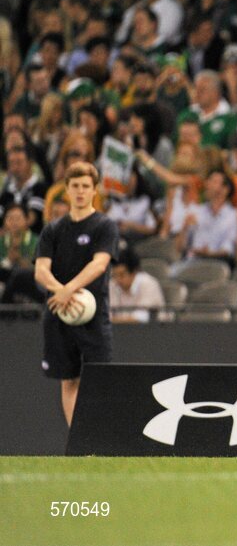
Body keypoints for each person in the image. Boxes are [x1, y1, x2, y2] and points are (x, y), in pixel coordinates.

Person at [34, 162, 119, 426]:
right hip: (60, 313)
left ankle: (96, 432)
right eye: (75, 186)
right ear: (67, 190)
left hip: (92, 314)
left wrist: (68, 289)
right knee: (67, 378)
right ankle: (76, 437)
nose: (80, 191)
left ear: (94, 190)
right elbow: (40, 270)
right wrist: (60, 292)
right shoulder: (53, 230)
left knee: (98, 376)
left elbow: (99, 264)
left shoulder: (104, 226)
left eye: (85, 186)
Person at [109, 247, 165, 323]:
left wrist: (112, 321)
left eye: (122, 275)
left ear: (134, 272)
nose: (118, 280)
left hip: (152, 331)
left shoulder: (149, 284)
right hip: (119, 332)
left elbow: (141, 318)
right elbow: (107, 315)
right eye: (115, 275)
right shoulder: (112, 284)